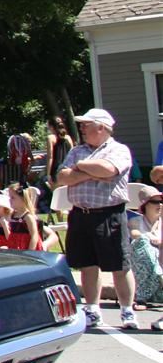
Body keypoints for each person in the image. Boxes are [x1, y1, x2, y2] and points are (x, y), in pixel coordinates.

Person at [58, 108, 139, 330]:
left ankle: (127, 310)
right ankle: (93, 309)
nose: (82, 128)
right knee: (87, 264)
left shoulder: (118, 150)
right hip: (81, 214)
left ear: (101, 127)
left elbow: (109, 170)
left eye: (86, 124)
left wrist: (81, 168)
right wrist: (93, 172)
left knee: (120, 265)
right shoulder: (77, 150)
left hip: (109, 214)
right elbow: (63, 176)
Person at [127, 186, 162, 319]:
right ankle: (141, 297)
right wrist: (149, 237)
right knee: (142, 243)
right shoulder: (135, 221)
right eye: (155, 202)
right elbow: (135, 234)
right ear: (145, 205)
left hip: (159, 264)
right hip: (142, 264)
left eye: (161, 202)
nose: (159, 205)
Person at [1, 185, 43, 251]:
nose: (10, 200)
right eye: (9, 197)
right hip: (15, 245)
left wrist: (30, 251)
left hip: (26, 246)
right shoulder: (12, 215)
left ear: (23, 199)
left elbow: (34, 235)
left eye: (13, 198)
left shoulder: (27, 216)